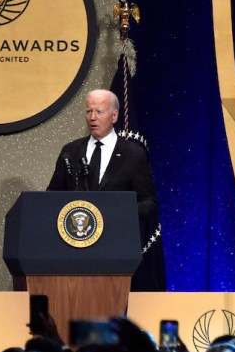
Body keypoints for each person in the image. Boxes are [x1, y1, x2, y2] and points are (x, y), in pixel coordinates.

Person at [47, 89, 163, 291]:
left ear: (115, 116)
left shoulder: (134, 155)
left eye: (99, 111)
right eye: (88, 111)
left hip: (116, 252)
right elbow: (52, 198)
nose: (92, 117)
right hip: (74, 253)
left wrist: (115, 212)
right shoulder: (70, 151)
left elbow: (149, 203)